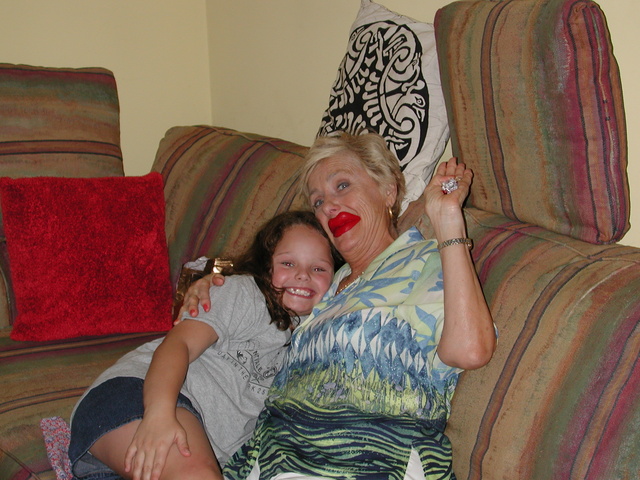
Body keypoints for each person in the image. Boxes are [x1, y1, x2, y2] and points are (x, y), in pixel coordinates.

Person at [181, 131, 497, 480]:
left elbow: (470, 350)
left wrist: (448, 222)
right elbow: (263, 287)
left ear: (388, 190)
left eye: (342, 186)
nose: (328, 206)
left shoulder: (425, 261)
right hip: (265, 462)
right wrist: (212, 280)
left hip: (368, 462)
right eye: (317, 201)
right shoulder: (325, 280)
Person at [68, 210, 340, 480]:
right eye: (288, 263)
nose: (303, 275)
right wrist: (159, 414)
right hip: (143, 397)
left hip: (199, 450)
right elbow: (179, 344)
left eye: (318, 268)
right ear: (266, 265)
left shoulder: (318, 343)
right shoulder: (246, 294)